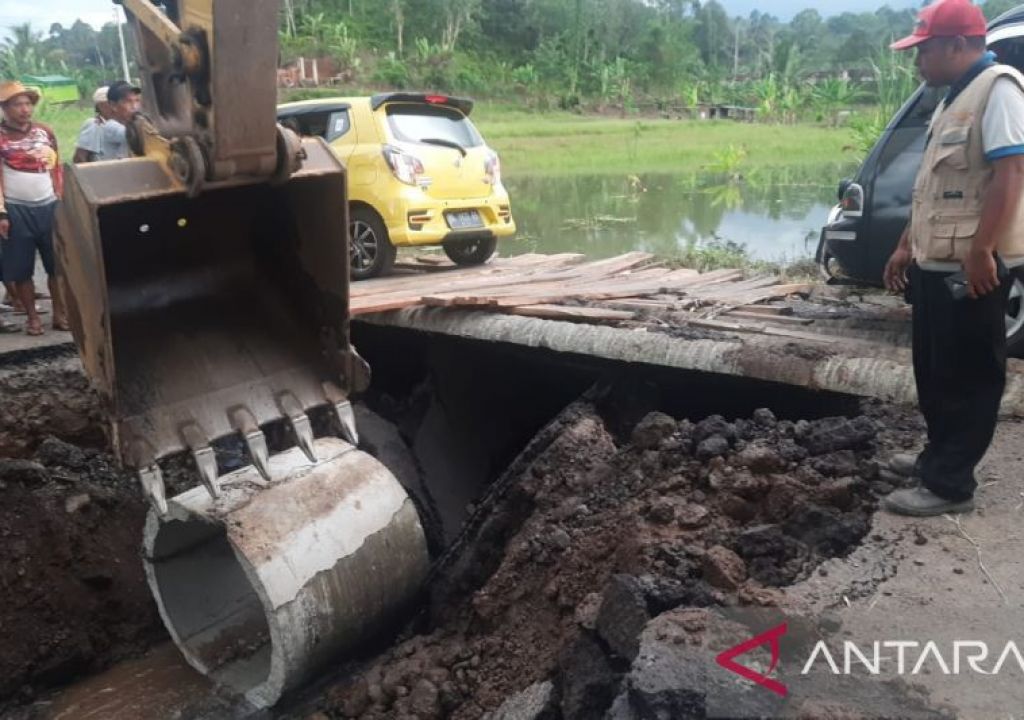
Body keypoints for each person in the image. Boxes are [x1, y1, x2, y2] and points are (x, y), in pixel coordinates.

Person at [882, 0, 1024, 516]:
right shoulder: (952, 100)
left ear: (957, 46)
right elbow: (933, 189)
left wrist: (983, 250)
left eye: (924, 50)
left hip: (972, 269)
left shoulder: (1000, 90)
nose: (917, 61)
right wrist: (904, 246)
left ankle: (949, 487)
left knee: (968, 376)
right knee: (936, 371)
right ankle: (936, 459)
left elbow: (1011, 175)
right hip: (935, 263)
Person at [0, 80, 66, 335]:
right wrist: (2, 212)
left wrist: (61, 200)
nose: (24, 109)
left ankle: (60, 314)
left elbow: (56, 169)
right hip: (17, 209)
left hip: (49, 206)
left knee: (57, 266)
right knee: (22, 269)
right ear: (5, 108)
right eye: (17, 104)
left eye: (27, 103)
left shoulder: (45, 132)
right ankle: (32, 318)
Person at [73, 86, 121, 163]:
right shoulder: (94, 125)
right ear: (100, 106)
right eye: (110, 103)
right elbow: (80, 157)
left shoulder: (120, 125)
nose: (115, 107)